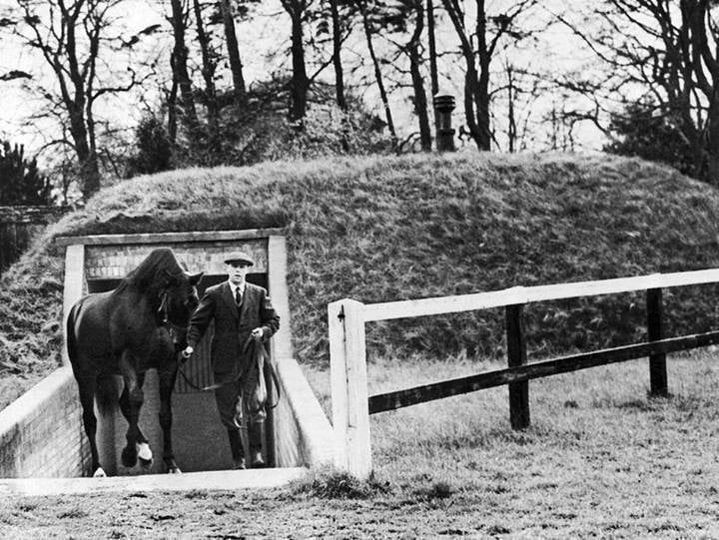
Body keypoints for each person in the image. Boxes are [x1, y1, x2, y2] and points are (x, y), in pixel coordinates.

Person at [182, 251, 280, 469]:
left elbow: (274, 320)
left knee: (255, 405)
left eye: (242, 266)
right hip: (224, 362)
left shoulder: (258, 293)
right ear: (227, 268)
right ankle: (239, 459)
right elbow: (198, 323)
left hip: (251, 360)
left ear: (247, 270)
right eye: (234, 265)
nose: (238, 270)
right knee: (229, 411)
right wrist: (190, 346)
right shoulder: (214, 293)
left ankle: (256, 454)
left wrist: (263, 332)